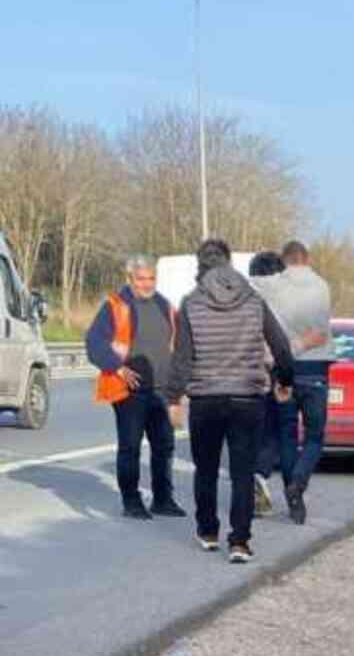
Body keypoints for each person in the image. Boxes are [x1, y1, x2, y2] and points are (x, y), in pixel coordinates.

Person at [164, 239, 295, 563]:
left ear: (200, 266)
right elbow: (281, 346)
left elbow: (182, 358)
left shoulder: (191, 303)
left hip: (206, 399)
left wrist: (173, 397)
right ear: (229, 263)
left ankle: (208, 531)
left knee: (205, 470)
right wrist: (284, 380)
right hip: (248, 398)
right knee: (242, 472)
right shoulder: (253, 300)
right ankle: (239, 542)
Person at [86, 255, 186, 520]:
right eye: (141, 279)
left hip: (162, 389)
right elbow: (94, 342)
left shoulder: (165, 305)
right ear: (129, 279)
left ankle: (163, 500)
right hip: (129, 390)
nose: (146, 284)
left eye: (151, 278)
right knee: (130, 447)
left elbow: (181, 343)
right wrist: (117, 367)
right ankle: (132, 502)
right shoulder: (115, 306)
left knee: (164, 446)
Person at [247, 250, 327, 517]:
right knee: (289, 433)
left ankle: (260, 477)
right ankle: (293, 490)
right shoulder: (290, 299)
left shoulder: (248, 299)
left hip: (256, 377)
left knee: (274, 432)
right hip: (287, 372)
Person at [267, 240, 334, 525]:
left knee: (287, 433)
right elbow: (319, 332)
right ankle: (298, 483)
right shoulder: (320, 286)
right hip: (316, 369)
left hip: (284, 368)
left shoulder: (272, 286)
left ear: (284, 261)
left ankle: (292, 496)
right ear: (306, 259)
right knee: (315, 435)